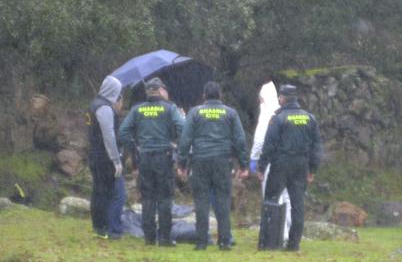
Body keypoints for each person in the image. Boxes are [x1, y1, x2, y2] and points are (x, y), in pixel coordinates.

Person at [177, 81, 249, 250]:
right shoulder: (230, 113)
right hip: (222, 161)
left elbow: (186, 139)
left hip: (200, 161)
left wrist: (182, 163)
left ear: (204, 96)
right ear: (220, 96)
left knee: (201, 201)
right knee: (223, 200)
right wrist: (244, 165)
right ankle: (224, 241)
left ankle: (201, 242)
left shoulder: (195, 113)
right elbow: (240, 140)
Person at [119, 77, 185, 246]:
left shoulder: (137, 110)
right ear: (160, 90)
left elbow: (123, 131)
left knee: (147, 198)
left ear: (146, 92)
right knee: (164, 198)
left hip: (144, 157)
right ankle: (164, 237)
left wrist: (134, 147)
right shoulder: (169, 109)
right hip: (164, 156)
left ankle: (149, 237)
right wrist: (174, 141)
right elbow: (182, 128)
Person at [258, 84, 323, 251]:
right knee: (298, 205)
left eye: (280, 97)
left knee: (271, 201)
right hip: (301, 165)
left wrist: (261, 166)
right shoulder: (309, 118)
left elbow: (269, 144)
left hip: (281, 164)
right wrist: (312, 169)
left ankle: (269, 241)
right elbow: (316, 146)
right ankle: (294, 244)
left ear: (283, 98)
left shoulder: (278, 118)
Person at [250, 81, 292, 244]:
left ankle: (277, 233)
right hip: (287, 160)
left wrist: (254, 160)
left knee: (273, 197)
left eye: (261, 99)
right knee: (287, 198)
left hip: (270, 163)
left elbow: (260, 140)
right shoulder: (282, 112)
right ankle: (290, 230)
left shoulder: (267, 114)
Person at [87, 75, 125, 240]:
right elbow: (108, 135)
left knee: (98, 191)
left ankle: (98, 226)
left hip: (94, 154)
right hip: (104, 158)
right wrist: (116, 160)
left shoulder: (93, 105)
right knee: (109, 192)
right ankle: (106, 227)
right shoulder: (104, 108)